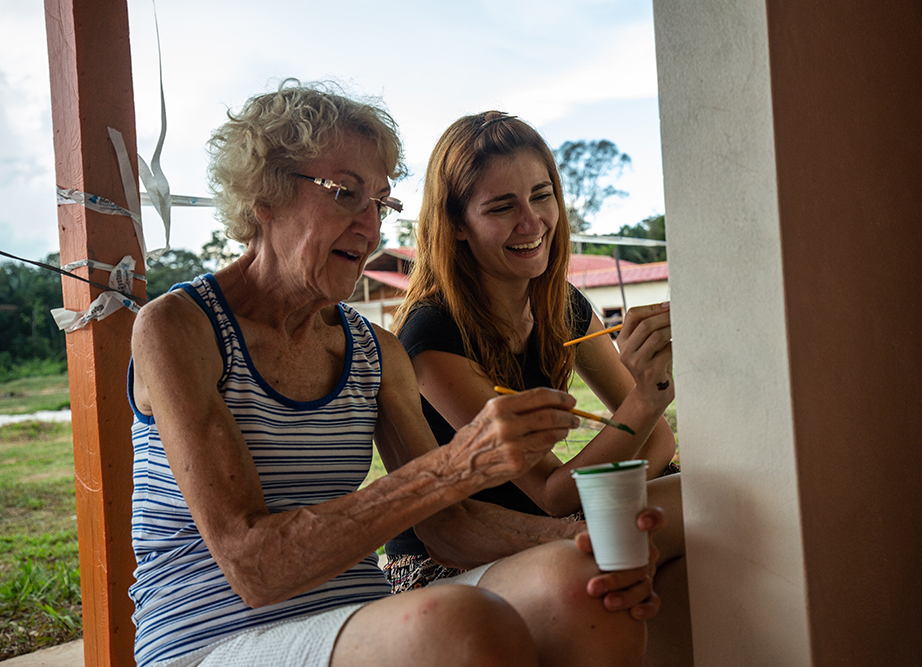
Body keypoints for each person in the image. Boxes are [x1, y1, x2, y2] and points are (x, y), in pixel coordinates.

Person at [127, 80, 665, 667]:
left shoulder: (373, 349)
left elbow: (448, 528)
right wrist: (456, 465)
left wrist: (583, 543)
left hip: (355, 617)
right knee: (458, 624)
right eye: (344, 194)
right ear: (265, 195)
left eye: (379, 203)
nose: (369, 226)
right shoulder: (178, 328)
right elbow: (253, 566)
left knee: (592, 584)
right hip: (212, 640)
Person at [385, 111, 692, 667]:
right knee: (691, 508)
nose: (532, 222)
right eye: (502, 207)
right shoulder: (431, 334)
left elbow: (659, 446)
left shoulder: (561, 304)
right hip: (447, 563)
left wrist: (620, 476)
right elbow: (550, 490)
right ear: (456, 224)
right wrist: (646, 399)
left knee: (718, 499)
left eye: (541, 196)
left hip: (550, 529)